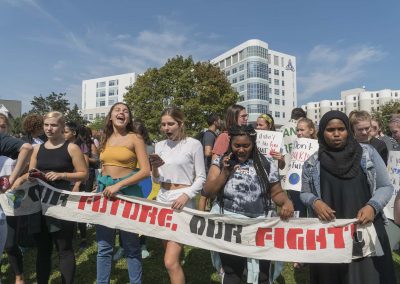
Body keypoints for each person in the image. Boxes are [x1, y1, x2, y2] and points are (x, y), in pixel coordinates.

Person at [300, 110, 396, 284]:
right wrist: (315, 202)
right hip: (330, 233)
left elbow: (385, 186)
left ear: (348, 131)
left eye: (341, 129)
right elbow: (304, 192)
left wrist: (372, 206)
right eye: (330, 130)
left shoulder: (368, 153)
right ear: (322, 132)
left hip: (366, 228)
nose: (336, 134)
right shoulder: (312, 162)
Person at [203, 125, 294, 284]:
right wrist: (225, 172)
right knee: (232, 272)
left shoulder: (266, 164)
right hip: (230, 227)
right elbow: (208, 192)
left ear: (254, 144)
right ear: (230, 143)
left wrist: (286, 201)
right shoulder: (220, 162)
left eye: (246, 145)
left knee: (262, 275)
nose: (241, 150)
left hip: (259, 227)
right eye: (237, 145)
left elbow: (276, 192)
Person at [13, 111, 88, 284]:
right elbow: (31, 172)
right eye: (46, 125)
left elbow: (83, 174)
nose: (49, 128)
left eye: (53, 125)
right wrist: (24, 178)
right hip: (39, 205)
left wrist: (62, 175)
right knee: (43, 249)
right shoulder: (37, 148)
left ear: (62, 127)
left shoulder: (71, 147)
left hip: (61, 204)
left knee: (64, 249)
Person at [150, 107, 206, 284]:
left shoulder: (193, 144)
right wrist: (154, 167)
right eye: (163, 124)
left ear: (180, 124)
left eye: (171, 124)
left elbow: (201, 177)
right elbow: (157, 180)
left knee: (169, 261)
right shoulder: (159, 145)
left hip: (181, 200)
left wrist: (186, 195)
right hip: (163, 197)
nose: (166, 128)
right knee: (170, 255)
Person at [96, 103, 150, 284]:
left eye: (125, 110)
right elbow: (103, 167)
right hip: (105, 195)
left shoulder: (136, 138)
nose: (121, 113)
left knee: (131, 246)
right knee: (104, 247)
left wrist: (119, 186)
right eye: (117, 110)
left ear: (129, 117)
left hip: (127, 196)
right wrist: (99, 185)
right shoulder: (105, 138)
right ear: (110, 116)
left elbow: (145, 171)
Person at [0, 114, 33, 284]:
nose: (0, 130)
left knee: (10, 244)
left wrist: (14, 178)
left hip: (11, 198)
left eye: (3, 126)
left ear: (8, 128)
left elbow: (30, 166)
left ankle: (19, 276)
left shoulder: (12, 145)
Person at [198, 113, 220, 211]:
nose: (221, 122)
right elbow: (207, 152)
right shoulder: (209, 135)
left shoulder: (212, 134)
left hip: (210, 168)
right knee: (205, 195)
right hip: (208, 169)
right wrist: (219, 151)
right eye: (220, 120)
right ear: (215, 122)